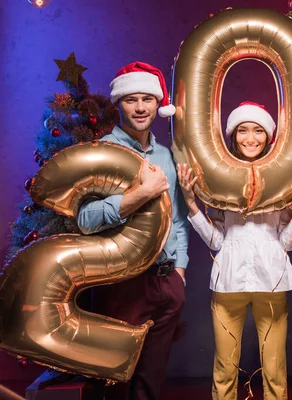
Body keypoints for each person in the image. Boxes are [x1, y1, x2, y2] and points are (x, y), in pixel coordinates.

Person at [177, 101, 292, 400]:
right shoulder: (218, 180)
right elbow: (217, 241)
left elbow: (287, 244)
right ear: (233, 135)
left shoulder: (281, 179)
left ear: (269, 137)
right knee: (225, 368)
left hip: (273, 282)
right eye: (243, 130)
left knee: (275, 369)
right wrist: (191, 203)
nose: (250, 138)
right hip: (228, 283)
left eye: (258, 131)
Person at [77, 61, 189, 400]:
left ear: (158, 104)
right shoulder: (101, 153)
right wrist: (139, 194)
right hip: (121, 282)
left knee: (151, 382)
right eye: (131, 99)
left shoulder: (166, 156)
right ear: (118, 103)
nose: (140, 108)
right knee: (115, 382)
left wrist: (180, 271)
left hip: (166, 281)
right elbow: (85, 219)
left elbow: (179, 220)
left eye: (147, 99)